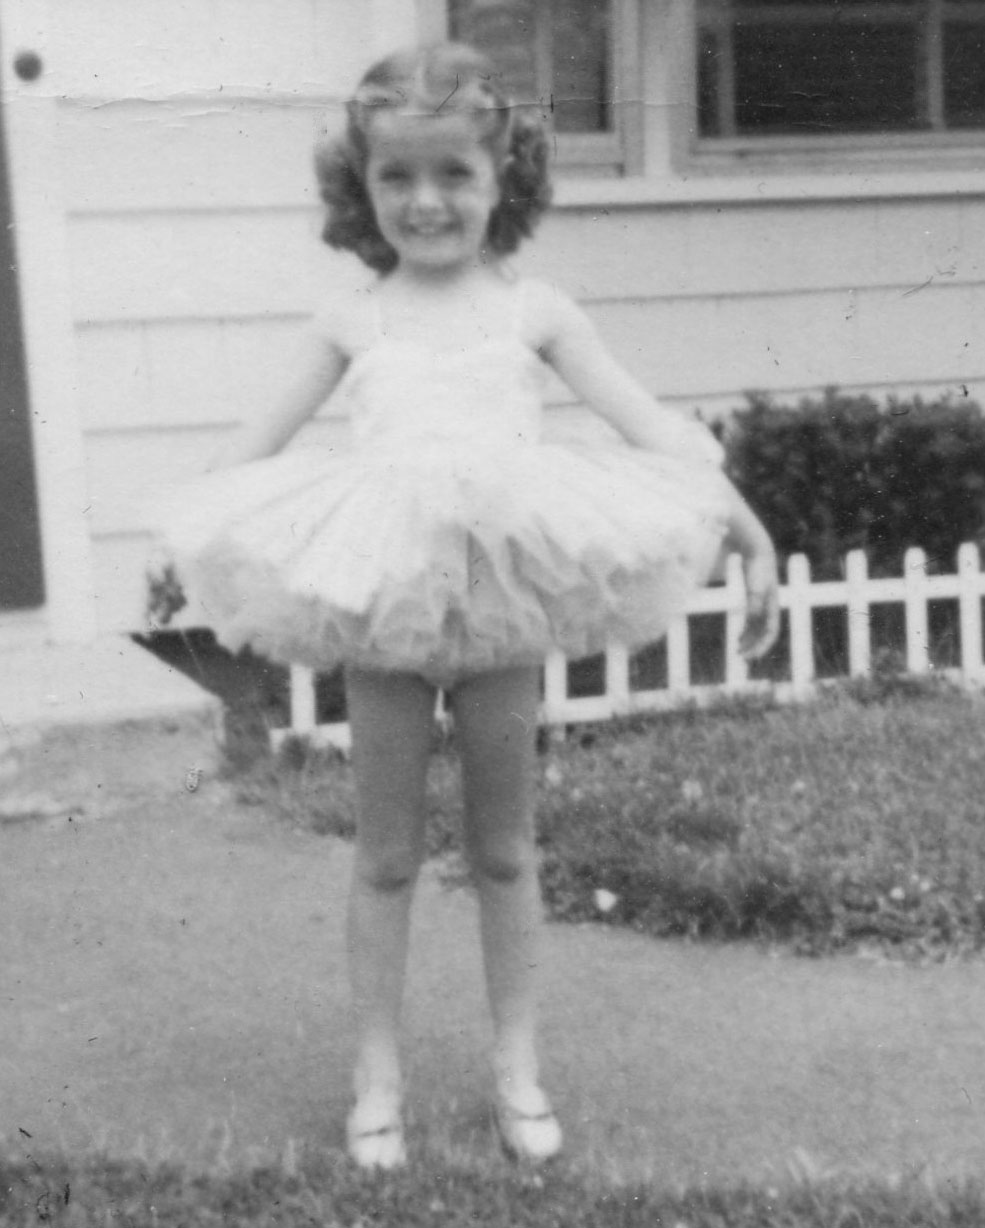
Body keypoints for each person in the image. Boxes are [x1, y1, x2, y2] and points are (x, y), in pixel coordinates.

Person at [159, 42, 779, 1170]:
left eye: (454, 172)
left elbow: (652, 429)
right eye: (396, 175)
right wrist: (192, 537)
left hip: (500, 606)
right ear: (360, 185)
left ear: (506, 180)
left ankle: (517, 1068)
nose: (425, 200)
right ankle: (376, 1077)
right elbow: (250, 448)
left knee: (504, 849)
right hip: (387, 607)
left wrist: (744, 527)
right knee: (385, 854)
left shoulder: (534, 311)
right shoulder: (353, 321)